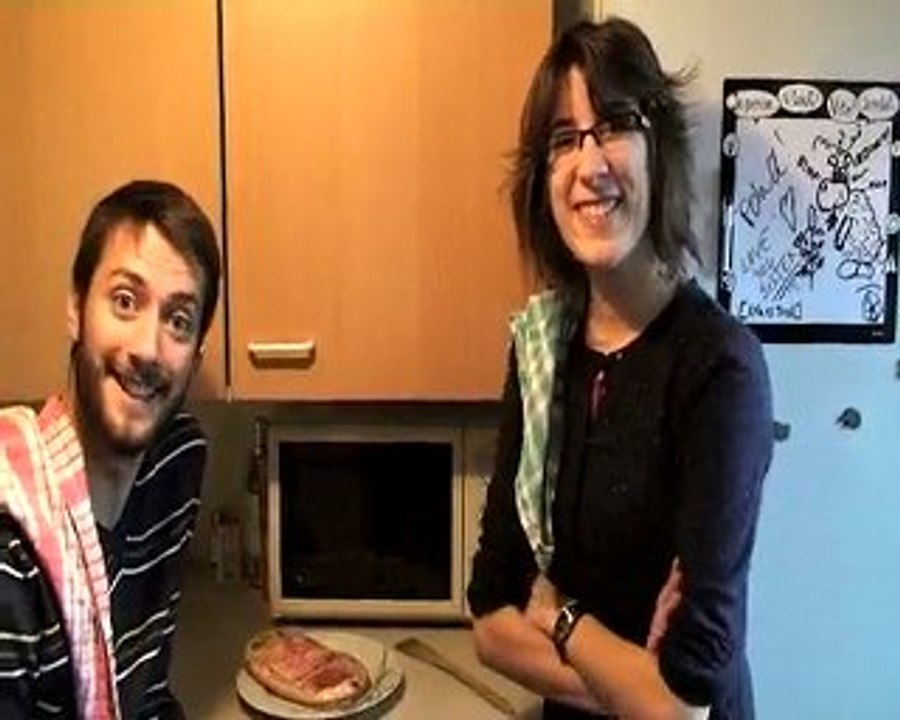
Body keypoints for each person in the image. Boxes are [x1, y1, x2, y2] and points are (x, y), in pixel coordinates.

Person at [467, 18, 773, 720]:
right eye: (563, 139)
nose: (589, 165)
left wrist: (560, 615)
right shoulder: (541, 348)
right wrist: (634, 685)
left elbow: (687, 696)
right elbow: (489, 616)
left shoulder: (719, 368)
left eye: (613, 126)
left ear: (658, 149)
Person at [0, 180, 221, 719]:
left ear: (195, 357)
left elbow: (145, 694)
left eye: (178, 321)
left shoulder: (176, 467)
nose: (148, 349)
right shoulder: (10, 551)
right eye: (125, 301)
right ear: (76, 308)